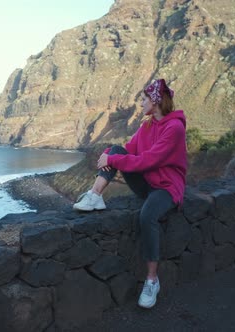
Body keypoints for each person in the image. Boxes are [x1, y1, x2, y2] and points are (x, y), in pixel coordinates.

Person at [73, 78, 187, 309]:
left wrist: (112, 159)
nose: (141, 103)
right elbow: (129, 149)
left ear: (155, 101)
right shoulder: (147, 126)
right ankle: (95, 195)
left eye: (144, 99)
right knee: (115, 150)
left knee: (147, 216)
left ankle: (152, 280)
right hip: (147, 182)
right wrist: (108, 153)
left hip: (166, 187)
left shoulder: (174, 128)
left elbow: (148, 160)